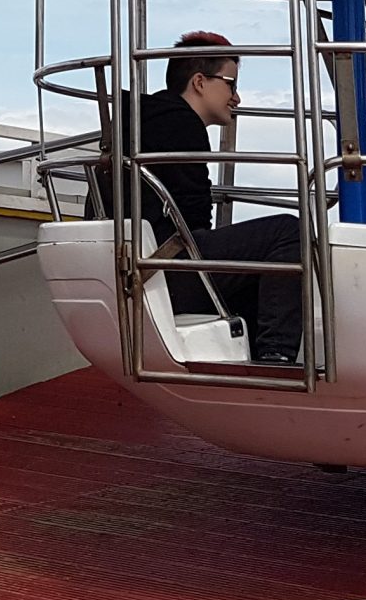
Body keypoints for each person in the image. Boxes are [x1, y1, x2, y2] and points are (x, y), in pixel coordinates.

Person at [98, 33, 303, 364]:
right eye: (230, 84)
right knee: (287, 232)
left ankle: (254, 356)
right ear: (199, 82)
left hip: (127, 269)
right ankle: (276, 356)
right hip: (161, 275)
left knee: (257, 258)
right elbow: (193, 225)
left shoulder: (134, 123)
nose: (236, 97)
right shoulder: (180, 125)